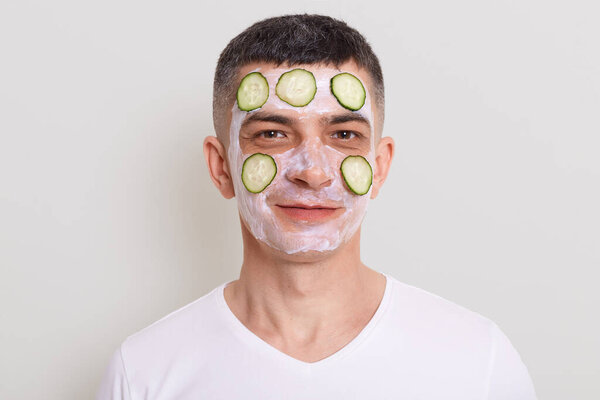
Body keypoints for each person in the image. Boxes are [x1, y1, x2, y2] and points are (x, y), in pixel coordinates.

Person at [96, 14, 537, 399]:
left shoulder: (479, 362)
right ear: (221, 167)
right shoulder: (143, 374)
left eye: (343, 135)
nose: (313, 172)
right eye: (272, 133)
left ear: (379, 166)